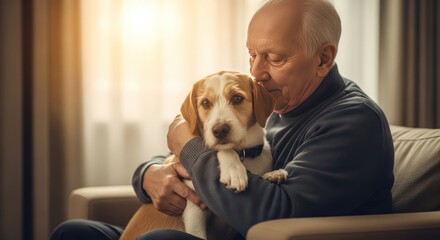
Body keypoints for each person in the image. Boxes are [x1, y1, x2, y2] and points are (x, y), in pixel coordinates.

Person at [50, 0, 394, 239]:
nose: (257, 72)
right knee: (75, 232)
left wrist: (187, 144)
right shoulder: (274, 100)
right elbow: (197, 154)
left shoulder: (353, 122)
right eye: (252, 55)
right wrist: (150, 176)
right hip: (210, 225)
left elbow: (275, 212)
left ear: (323, 58)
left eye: (274, 58)